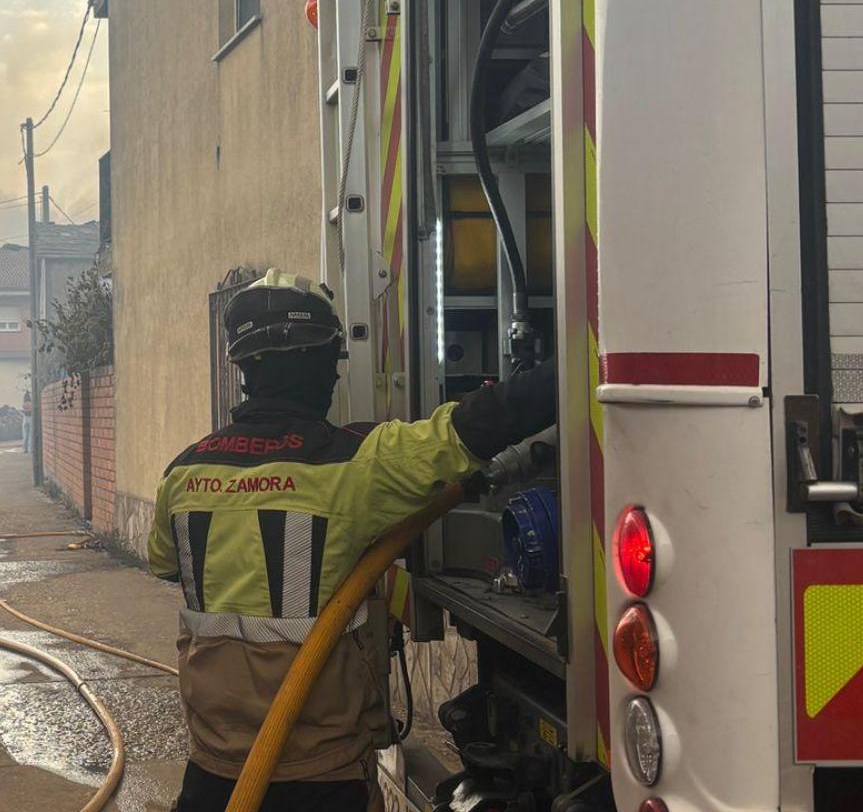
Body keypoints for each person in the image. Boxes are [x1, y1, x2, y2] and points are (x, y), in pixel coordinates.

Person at [149, 270, 557, 811]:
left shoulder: (184, 473)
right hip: (321, 769)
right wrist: (585, 360)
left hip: (214, 764)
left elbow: (163, 563)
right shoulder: (354, 465)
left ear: (243, 367)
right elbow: (479, 424)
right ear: (326, 365)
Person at [21, 389, 34, 453]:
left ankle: (24, 449)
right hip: (31, 418)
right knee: (31, 435)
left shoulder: (24, 403)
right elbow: (32, 410)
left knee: (25, 435)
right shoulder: (31, 403)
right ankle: (30, 449)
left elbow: (24, 410)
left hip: (25, 418)